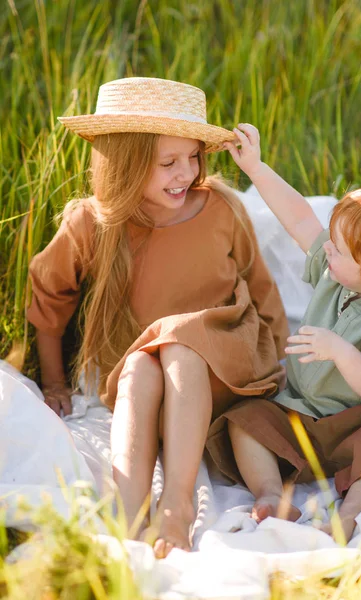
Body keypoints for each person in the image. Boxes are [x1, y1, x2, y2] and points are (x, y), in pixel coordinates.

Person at [26, 79, 289, 558]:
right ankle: (128, 511)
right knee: (141, 368)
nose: (186, 173)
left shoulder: (221, 209)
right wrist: (53, 381)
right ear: (124, 163)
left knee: (181, 344)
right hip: (153, 379)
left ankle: (177, 506)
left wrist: (284, 372)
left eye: (193, 157)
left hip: (227, 365)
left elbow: (263, 290)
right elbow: (48, 297)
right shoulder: (92, 224)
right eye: (168, 163)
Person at [206, 123, 361, 542]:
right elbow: (300, 216)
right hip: (297, 413)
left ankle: (350, 514)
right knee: (243, 421)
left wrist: (341, 351)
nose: (327, 250)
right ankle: (269, 493)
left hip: (357, 424)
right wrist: (257, 169)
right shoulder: (336, 276)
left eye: (338, 249)